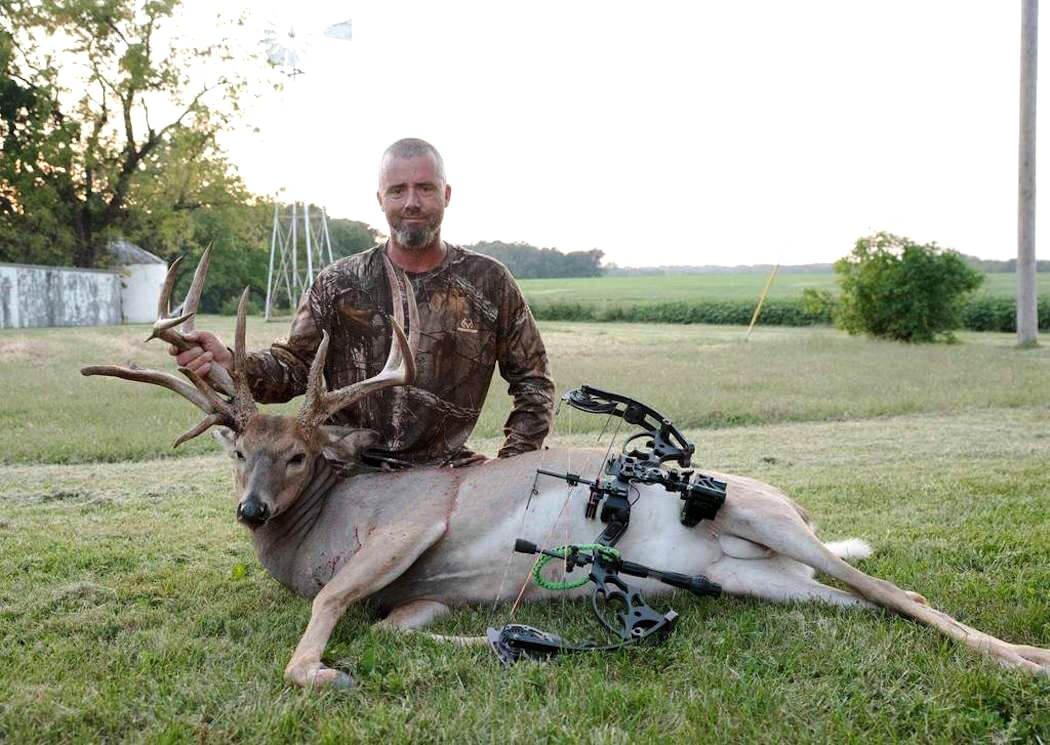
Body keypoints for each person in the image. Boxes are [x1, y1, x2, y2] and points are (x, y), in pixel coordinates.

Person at [172, 138, 555, 467]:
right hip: (348, 471)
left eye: (425, 188)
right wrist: (231, 362)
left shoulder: (488, 281)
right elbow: (292, 370)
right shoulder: (338, 282)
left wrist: (512, 466)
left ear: (446, 194)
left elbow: (534, 383)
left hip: (448, 470)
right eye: (397, 190)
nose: (412, 202)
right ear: (380, 199)